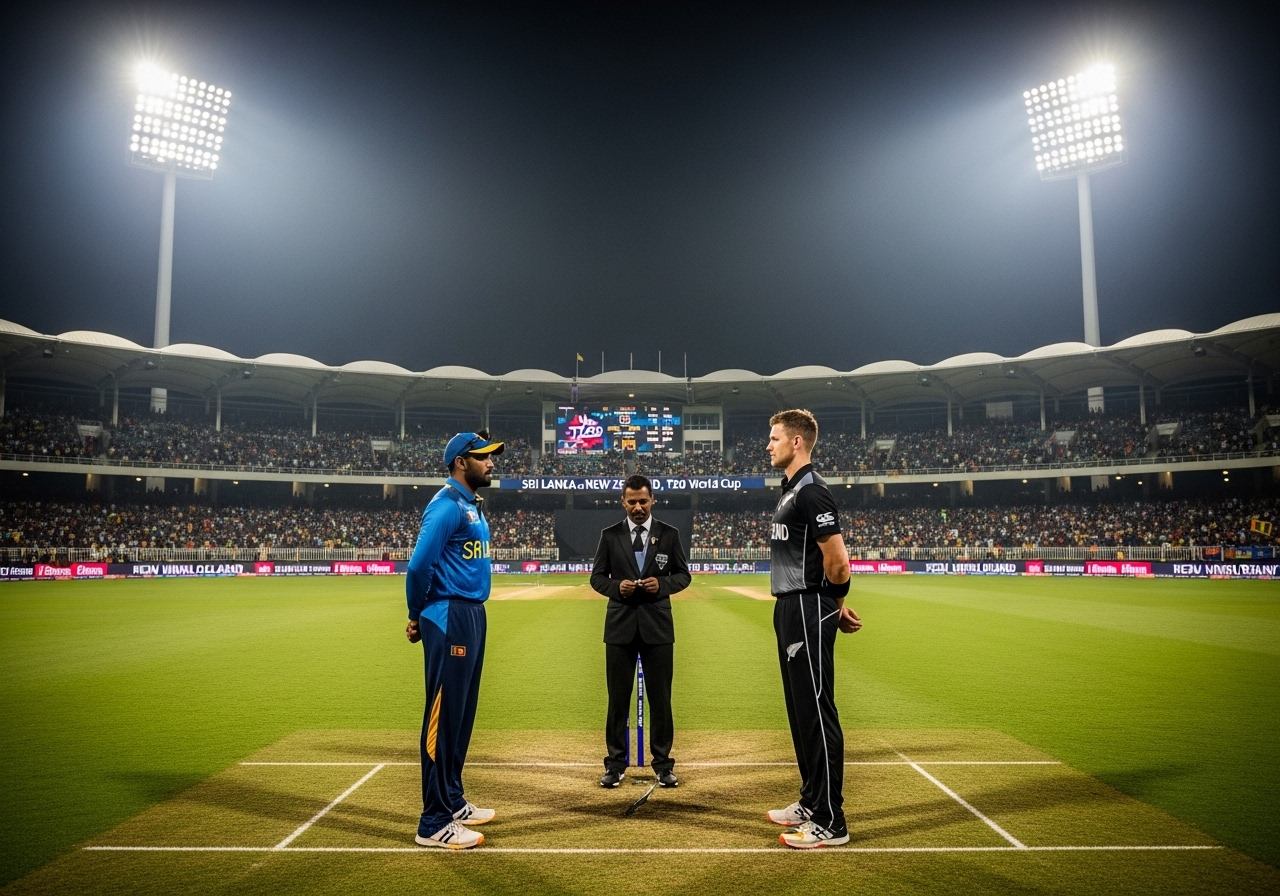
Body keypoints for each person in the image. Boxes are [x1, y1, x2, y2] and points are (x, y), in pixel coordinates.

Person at [764, 409, 862, 849]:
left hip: (807, 606)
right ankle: (811, 801)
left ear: (797, 441)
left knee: (817, 711)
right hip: (792, 606)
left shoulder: (812, 491)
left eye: (775, 438)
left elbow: (837, 561)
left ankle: (830, 820)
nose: (769, 445)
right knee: (801, 710)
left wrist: (833, 607)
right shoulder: (791, 491)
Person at [405, 431, 504, 850]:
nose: (491, 463)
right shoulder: (446, 505)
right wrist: (416, 614)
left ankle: (452, 799)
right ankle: (433, 821)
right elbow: (418, 567)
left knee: (461, 715)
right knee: (444, 718)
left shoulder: (471, 505)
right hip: (448, 614)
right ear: (461, 462)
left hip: (471, 613)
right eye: (483, 457)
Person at [590, 473, 690, 789]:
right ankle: (615, 764)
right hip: (619, 628)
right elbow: (596, 578)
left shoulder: (669, 534)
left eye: (643, 501)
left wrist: (661, 584)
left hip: (657, 628)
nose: (637, 507)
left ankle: (663, 765)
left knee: (661, 701)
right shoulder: (609, 535)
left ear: (652, 501)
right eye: (632, 502)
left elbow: (683, 575)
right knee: (617, 701)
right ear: (623, 502)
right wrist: (616, 587)